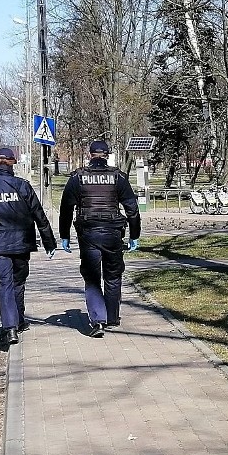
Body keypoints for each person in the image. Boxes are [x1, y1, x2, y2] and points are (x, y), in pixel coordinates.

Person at [0, 147, 57, 345]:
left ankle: (10, 327)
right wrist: (49, 241)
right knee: (18, 282)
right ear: (13, 163)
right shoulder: (22, 186)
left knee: (5, 284)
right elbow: (39, 215)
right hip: (21, 243)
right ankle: (18, 321)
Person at [59, 139, 141, 338]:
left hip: (88, 235)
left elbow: (66, 208)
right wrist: (134, 235)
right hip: (113, 234)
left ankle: (98, 320)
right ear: (107, 155)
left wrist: (64, 235)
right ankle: (112, 317)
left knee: (92, 278)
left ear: (90, 155)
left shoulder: (78, 178)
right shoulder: (118, 177)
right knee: (113, 275)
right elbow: (132, 209)